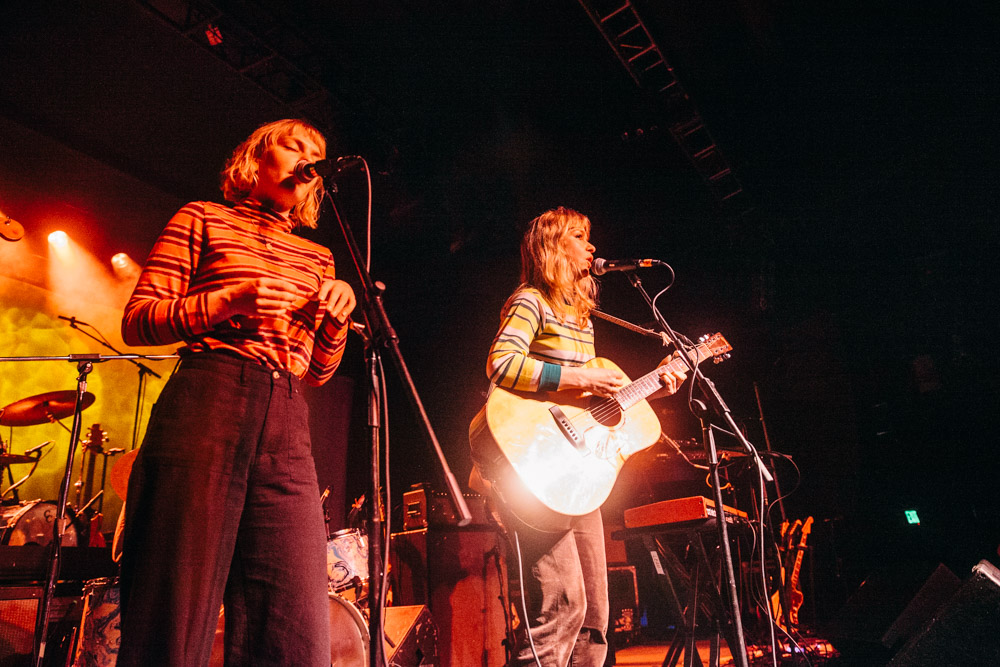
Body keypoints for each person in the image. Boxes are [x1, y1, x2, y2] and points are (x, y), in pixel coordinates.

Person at [118, 118, 356, 666]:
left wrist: (336, 321)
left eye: (316, 155)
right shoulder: (202, 217)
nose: (307, 159)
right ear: (256, 157)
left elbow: (318, 372)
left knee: (294, 622)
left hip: (287, 417)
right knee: (173, 610)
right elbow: (138, 321)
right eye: (294, 146)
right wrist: (226, 303)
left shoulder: (318, 258)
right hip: (209, 398)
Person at [472, 207, 686, 666]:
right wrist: (579, 379)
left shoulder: (582, 318)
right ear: (552, 246)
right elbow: (502, 364)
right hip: (533, 468)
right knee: (560, 605)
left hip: (576, 473)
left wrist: (659, 380)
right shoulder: (531, 301)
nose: (591, 247)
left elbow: (590, 408)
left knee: (594, 615)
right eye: (578, 237)